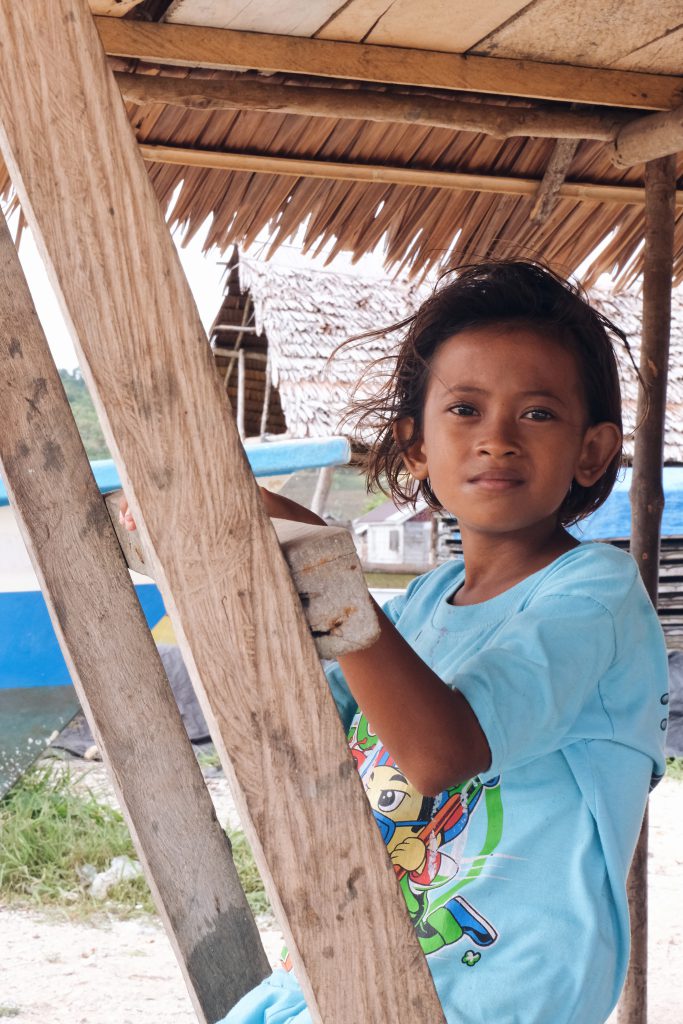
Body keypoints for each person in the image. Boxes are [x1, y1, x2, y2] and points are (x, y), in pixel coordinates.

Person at [121, 260, 669, 1024]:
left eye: (537, 413)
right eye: (465, 410)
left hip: (496, 990)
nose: (497, 441)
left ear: (592, 450)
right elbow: (309, 721)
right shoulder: (418, 604)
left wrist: (323, 562)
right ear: (414, 448)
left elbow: (440, 754)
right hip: (357, 966)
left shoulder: (594, 597)